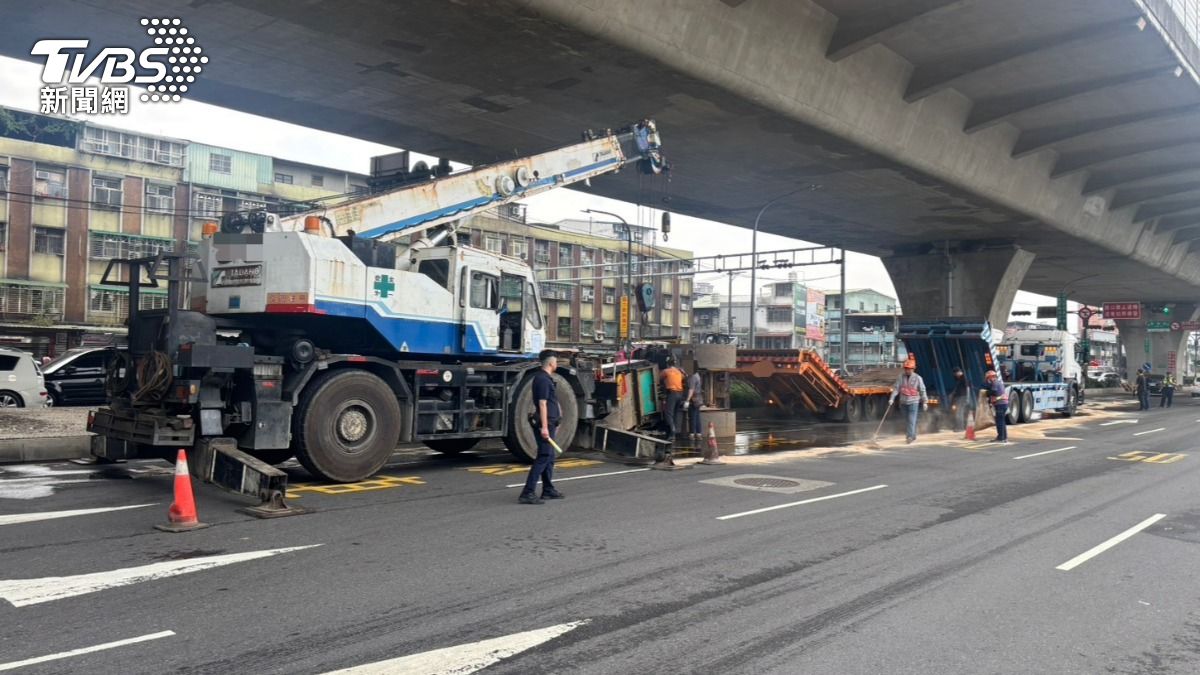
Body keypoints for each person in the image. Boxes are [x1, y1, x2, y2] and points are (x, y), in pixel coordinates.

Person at [519, 350, 564, 505]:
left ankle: (548, 489)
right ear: (551, 363)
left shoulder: (543, 378)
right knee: (544, 456)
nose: (557, 364)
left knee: (549, 457)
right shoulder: (543, 380)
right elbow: (542, 403)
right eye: (556, 362)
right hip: (546, 424)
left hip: (549, 423)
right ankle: (527, 492)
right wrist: (544, 427)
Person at [888, 357, 928, 444]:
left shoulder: (918, 378)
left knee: (911, 419)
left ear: (913, 369)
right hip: (903, 403)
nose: (907, 371)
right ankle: (913, 435)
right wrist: (892, 398)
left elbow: (922, 390)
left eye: (909, 369)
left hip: (914, 402)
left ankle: (909, 437)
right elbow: (896, 388)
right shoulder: (901, 377)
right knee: (907, 420)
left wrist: (925, 401)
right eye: (906, 369)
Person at [660, 357, 686, 442]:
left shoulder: (666, 371)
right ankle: (672, 435)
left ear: (668, 363)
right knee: (674, 414)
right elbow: (683, 378)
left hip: (672, 394)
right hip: (680, 394)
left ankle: (672, 430)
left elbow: (660, 379)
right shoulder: (679, 372)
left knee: (668, 414)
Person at [985, 370, 1009, 444]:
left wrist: (986, 392)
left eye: (988, 378)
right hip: (1003, 404)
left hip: (1000, 404)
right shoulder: (999, 382)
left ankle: (1000, 438)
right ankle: (1004, 437)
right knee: (1002, 421)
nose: (988, 380)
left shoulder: (995, 383)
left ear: (992, 377)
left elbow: (994, 392)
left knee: (999, 422)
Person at [948, 367, 973, 432]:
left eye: (955, 374)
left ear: (958, 372)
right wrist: (953, 394)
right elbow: (958, 388)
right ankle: (959, 427)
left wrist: (967, 398)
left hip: (962, 397)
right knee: (958, 412)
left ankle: (960, 428)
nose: (955, 375)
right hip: (960, 398)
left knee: (959, 413)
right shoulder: (959, 379)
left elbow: (968, 388)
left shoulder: (964, 378)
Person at [684, 367, 704, 440]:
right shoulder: (697, 375)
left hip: (693, 399)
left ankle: (692, 434)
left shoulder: (692, 377)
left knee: (692, 417)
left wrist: (687, 400)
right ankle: (698, 434)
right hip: (698, 398)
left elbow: (691, 390)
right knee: (697, 417)